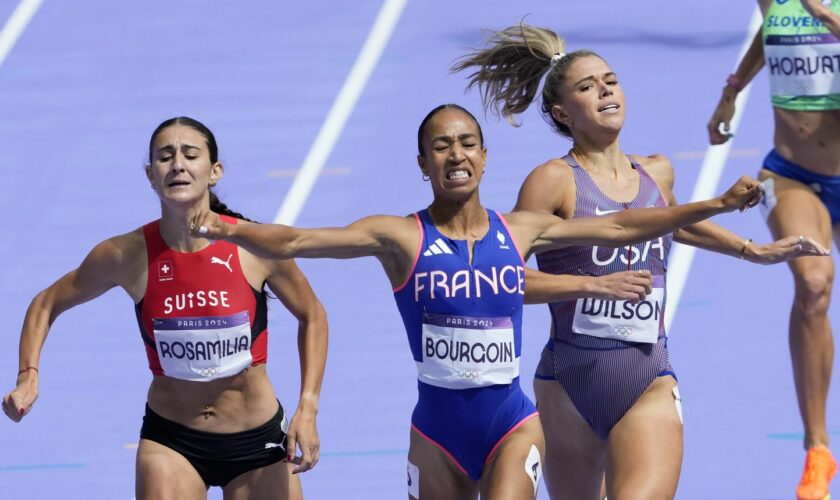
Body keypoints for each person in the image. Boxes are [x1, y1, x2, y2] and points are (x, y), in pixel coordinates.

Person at [190, 103, 773, 499]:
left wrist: (715, 205)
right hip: (435, 432)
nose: (455, 154)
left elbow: (624, 228)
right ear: (423, 165)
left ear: (485, 156)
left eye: (467, 142)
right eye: (440, 147)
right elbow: (296, 241)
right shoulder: (399, 237)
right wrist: (228, 226)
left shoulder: (520, 230)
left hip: (511, 424)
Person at [451, 23, 832, 499]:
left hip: (648, 379)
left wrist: (748, 249)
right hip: (567, 387)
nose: (605, 90)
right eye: (587, 87)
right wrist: (590, 287)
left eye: (610, 80)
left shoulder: (656, 170)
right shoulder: (552, 181)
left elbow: (666, 222)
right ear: (562, 112)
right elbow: (506, 280)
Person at [2, 117, 328, 500]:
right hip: (172, 442)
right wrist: (28, 375)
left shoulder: (255, 245)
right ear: (150, 175)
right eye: (164, 156)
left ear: (214, 171)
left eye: (191, 154)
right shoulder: (125, 254)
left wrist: (308, 406)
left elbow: (313, 315)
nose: (177, 164)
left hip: (257, 442)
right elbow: (46, 303)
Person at [708, 1, 840, 497]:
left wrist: (825, 15)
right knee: (812, 283)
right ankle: (818, 449)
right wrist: (732, 91)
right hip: (791, 172)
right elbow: (770, 30)